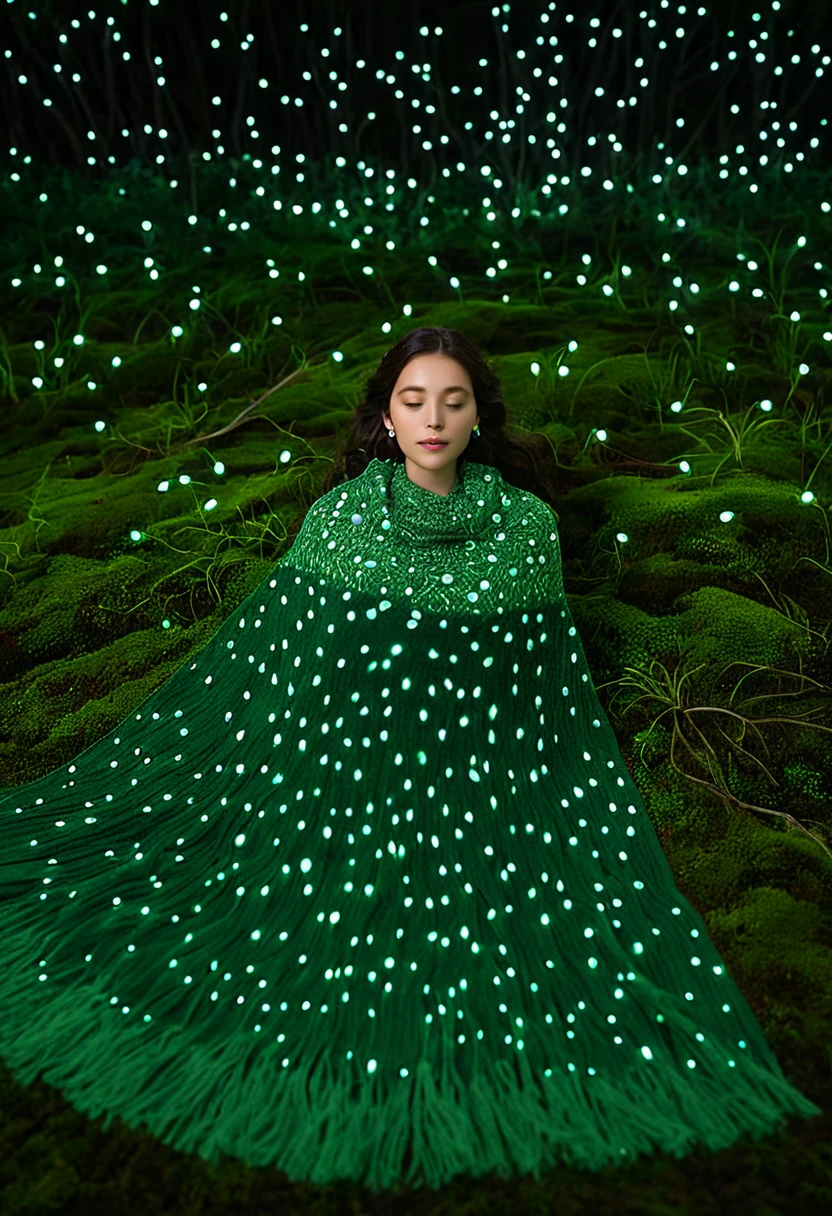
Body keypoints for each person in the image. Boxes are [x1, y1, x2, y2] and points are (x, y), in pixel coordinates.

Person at [0, 327, 822, 1193]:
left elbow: (541, 686)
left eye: (453, 401)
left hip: (483, 786)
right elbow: (291, 661)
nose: (433, 418)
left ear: (479, 417)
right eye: (413, 400)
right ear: (386, 418)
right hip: (333, 767)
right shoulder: (343, 518)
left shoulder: (527, 529)